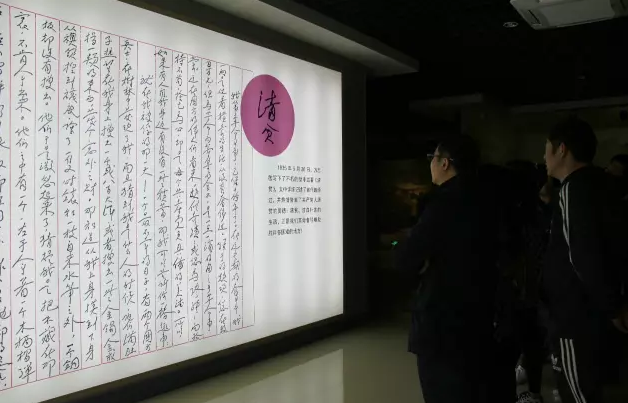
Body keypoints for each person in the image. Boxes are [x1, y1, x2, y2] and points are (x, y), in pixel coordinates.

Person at [396, 135, 502, 403]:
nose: (430, 164)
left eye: (432, 158)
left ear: (445, 163)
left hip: (442, 320)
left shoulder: (442, 203)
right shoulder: (489, 199)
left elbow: (408, 257)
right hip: (480, 315)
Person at [542, 117, 628, 403]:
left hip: (575, 314)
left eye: (547, 148)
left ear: (562, 149)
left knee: (577, 393)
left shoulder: (572, 189)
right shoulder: (605, 185)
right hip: (598, 311)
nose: (544, 157)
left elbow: (583, 257)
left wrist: (612, 306)